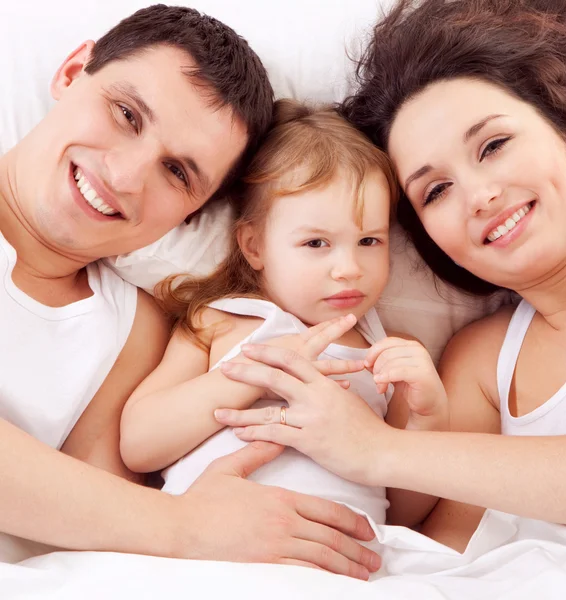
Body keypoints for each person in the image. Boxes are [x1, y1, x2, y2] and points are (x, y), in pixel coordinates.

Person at [0, 5, 381, 576]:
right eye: (127, 114)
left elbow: (92, 528)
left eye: (177, 173)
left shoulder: (135, 329)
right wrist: (181, 525)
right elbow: (136, 519)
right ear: (74, 70)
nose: (125, 176)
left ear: (192, 214)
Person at [214, 0, 566, 551]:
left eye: (493, 146)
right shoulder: (480, 365)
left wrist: (374, 447)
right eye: (436, 191)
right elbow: (447, 559)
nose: (481, 196)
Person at [119, 101, 448, 554]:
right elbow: (139, 444)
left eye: (370, 240)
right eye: (317, 243)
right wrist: (255, 377)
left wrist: (427, 420)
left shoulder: (387, 353)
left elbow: (402, 510)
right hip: (217, 549)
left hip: (339, 564)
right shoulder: (223, 321)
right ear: (255, 246)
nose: (349, 268)